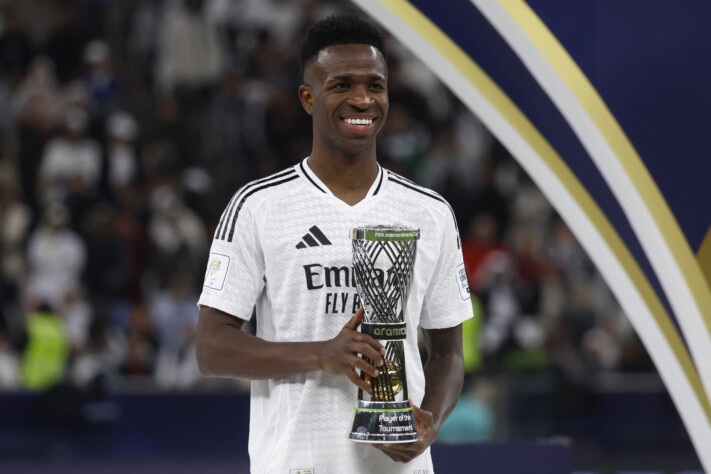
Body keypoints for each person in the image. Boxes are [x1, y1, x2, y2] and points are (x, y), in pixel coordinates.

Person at [196, 14, 473, 473]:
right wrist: (320, 354)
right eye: (342, 85)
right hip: (296, 464)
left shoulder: (431, 212)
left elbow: (448, 354)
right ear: (308, 97)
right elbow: (210, 349)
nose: (362, 99)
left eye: (375, 85)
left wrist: (430, 421)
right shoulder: (259, 207)